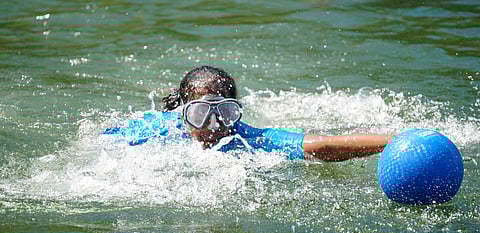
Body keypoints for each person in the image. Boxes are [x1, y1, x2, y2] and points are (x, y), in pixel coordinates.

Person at [105, 65, 392, 161]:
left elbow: (323, 146)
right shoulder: (156, 131)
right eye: (201, 113)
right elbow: (105, 143)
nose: (214, 125)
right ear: (182, 113)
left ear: (236, 112)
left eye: (225, 112)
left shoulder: (247, 139)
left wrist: (393, 140)